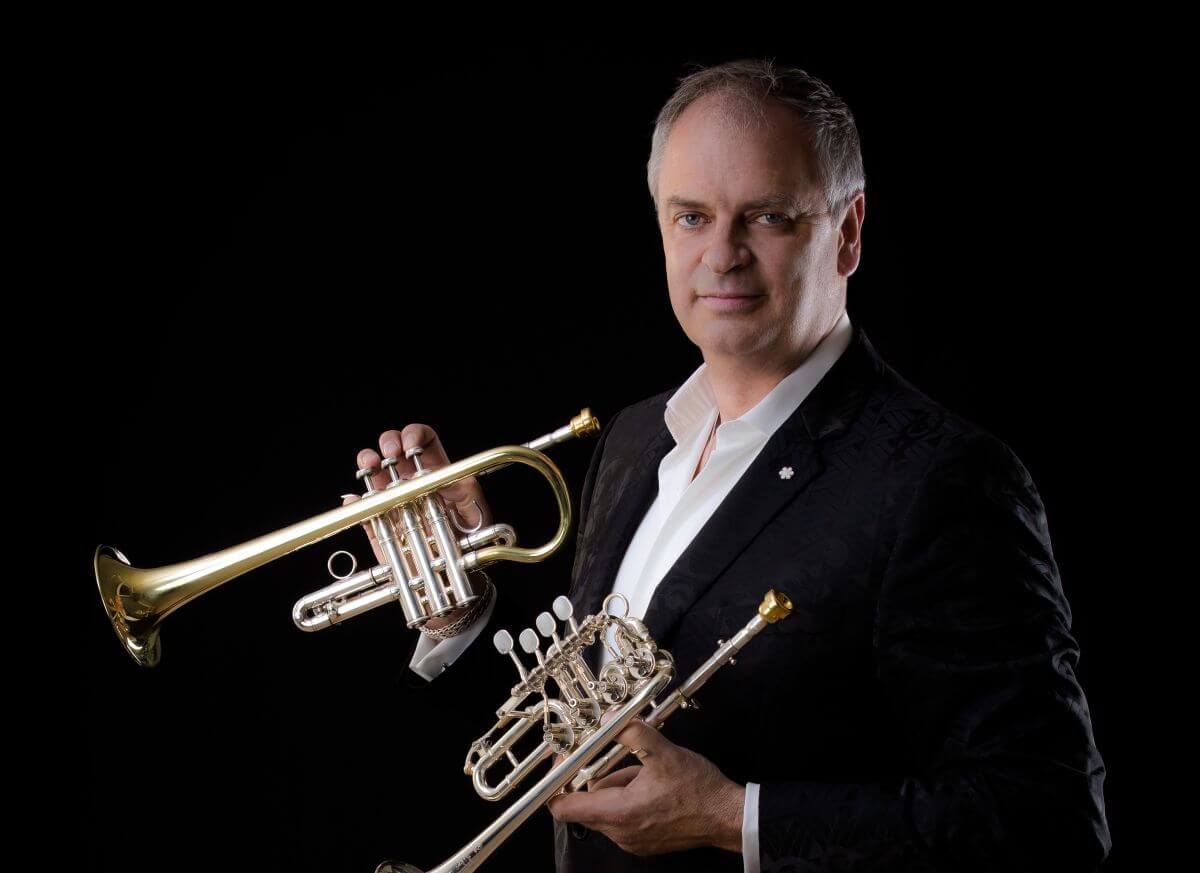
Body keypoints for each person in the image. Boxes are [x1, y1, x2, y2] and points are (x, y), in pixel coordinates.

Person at [352, 60, 1111, 873]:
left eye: (768, 217)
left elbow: (1048, 821)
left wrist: (735, 818)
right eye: (692, 217)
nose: (722, 254)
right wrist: (459, 601)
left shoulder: (944, 481)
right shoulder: (636, 439)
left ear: (848, 232)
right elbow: (577, 730)